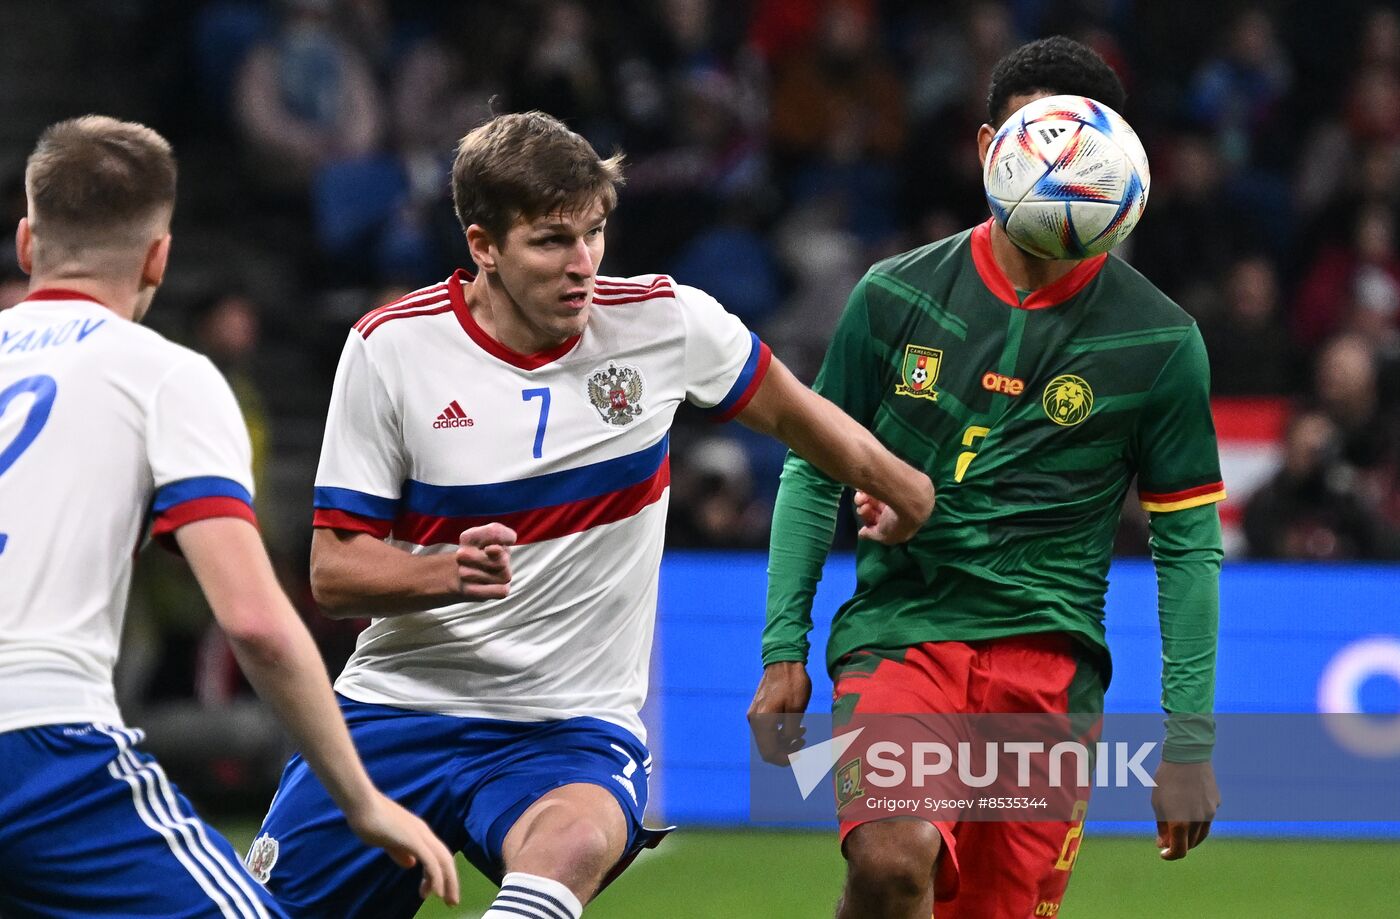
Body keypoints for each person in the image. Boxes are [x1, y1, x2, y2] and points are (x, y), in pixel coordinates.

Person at [251, 110, 934, 919]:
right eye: (550, 241)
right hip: (397, 707)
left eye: (595, 233)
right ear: (483, 245)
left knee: (570, 845)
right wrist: (444, 571)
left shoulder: (663, 324)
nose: (582, 265)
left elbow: (795, 414)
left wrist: (909, 489)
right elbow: (333, 569)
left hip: (567, 728)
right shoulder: (392, 349)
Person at [750, 37, 1226, 919]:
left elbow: (1188, 542)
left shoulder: (1160, 342)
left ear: (1115, 164)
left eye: (1074, 153)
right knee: (895, 856)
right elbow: (813, 473)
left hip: (1048, 667)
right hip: (903, 633)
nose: (1048, 174)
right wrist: (783, 647)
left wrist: (1188, 739)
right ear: (983, 150)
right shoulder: (896, 296)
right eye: (1024, 141)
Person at [0, 116, 458, 917]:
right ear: (158, 255)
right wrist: (362, 801)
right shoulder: (165, 377)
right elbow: (253, 619)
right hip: (37, 742)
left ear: (27, 242)